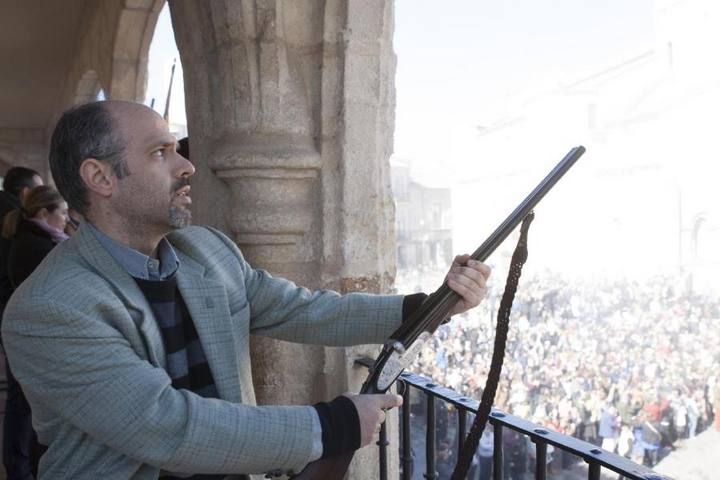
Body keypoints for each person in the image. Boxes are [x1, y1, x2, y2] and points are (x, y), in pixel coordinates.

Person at [1, 100, 491, 480]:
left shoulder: (206, 251)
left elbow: (306, 312)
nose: (186, 166)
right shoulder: (48, 308)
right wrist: (334, 425)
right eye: (160, 152)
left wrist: (433, 305)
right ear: (100, 177)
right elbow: (167, 426)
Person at [1, 185, 69, 480]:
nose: (67, 219)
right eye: (63, 213)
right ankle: (22, 469)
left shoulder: (34, 239)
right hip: (35, 336)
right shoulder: (38, 246)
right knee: (28, 407)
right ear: (45, 213)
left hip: (29, 333)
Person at [0, 168, 43, 480]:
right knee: (21, 396)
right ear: (27, 194)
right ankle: (18, 466)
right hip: (11, 310)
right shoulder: (22, 231)